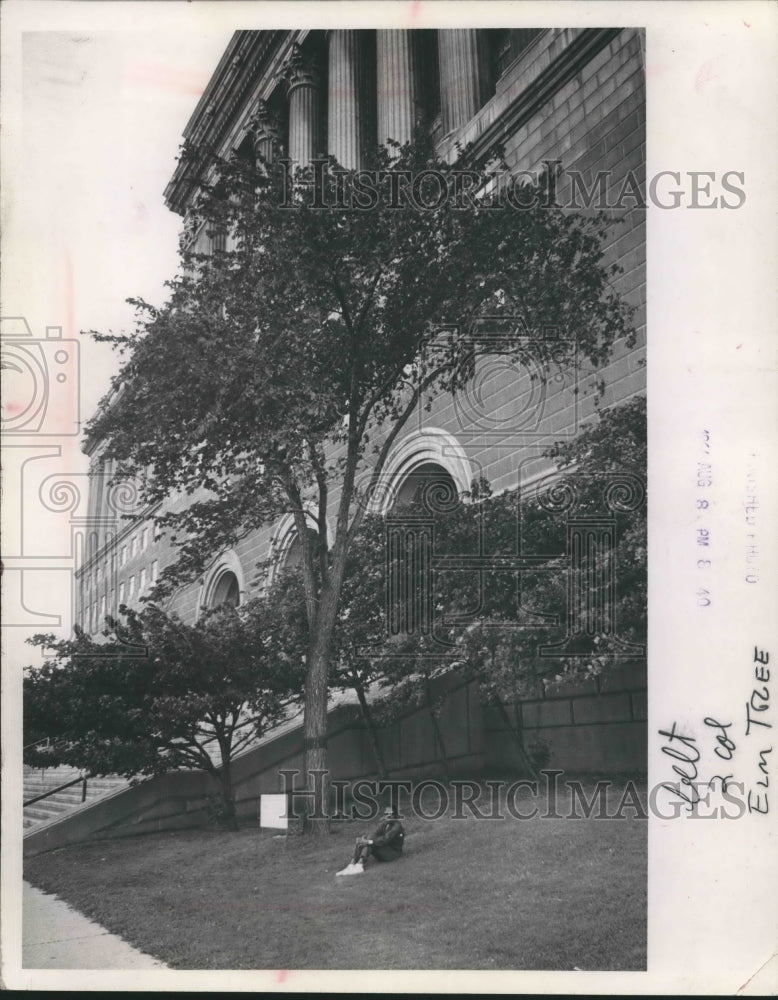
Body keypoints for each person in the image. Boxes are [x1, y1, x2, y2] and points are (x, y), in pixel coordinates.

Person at [336, 806, 405, 876]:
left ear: (394, 815)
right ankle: (352, 864)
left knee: (369, 842)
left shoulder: (397, 826)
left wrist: (368, 841)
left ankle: (359, 865)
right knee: (367, 839)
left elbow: (385, 840)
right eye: (386, 814)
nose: (386, 816)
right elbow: (375, 833)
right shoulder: (385, 824)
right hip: (385, 849)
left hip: (393, 854)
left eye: (389, 814)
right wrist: (365, 839)